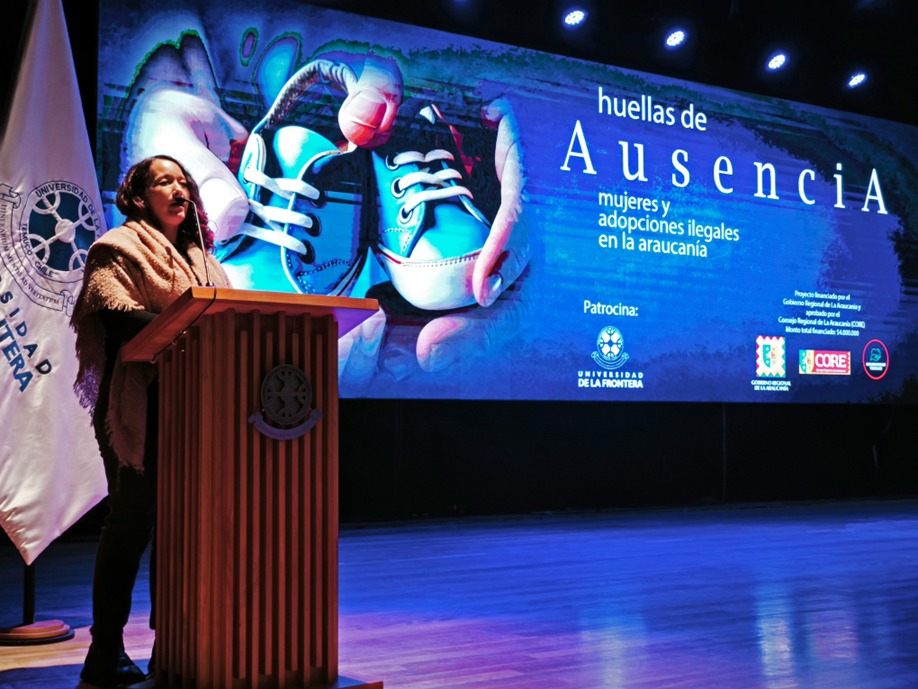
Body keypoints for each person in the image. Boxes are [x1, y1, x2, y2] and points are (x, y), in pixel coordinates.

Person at [71, 155, 232, 689]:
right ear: (139, 197)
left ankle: (177, 645)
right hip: (140, 402)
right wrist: (197, 327)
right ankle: (104, 653)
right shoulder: (116, 248)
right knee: (131, 522)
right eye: (165, 181)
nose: (179, 188)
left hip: (198, 405)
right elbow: (114, 315)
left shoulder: (205, 262)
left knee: (185, 527)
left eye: (184, 181)